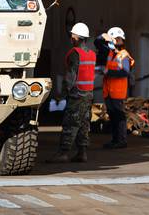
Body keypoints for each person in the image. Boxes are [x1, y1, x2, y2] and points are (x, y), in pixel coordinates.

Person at [46, 22, 96, 163]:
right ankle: (82, 152)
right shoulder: (92, 54)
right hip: (88, 94)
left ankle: (63, 153)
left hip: (77, 94)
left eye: (72, 35)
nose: (71, 38)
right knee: (84, 123)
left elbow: (70, 77)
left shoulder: (75, 54)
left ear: (76, 38)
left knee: (70, 123)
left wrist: (60, 95)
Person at [102, 26, 134, 149]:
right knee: (113, 116)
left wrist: (108, 73)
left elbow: (125, 72)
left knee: (119, 117)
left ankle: (121, 140)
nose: (115, 42)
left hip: (118, 92)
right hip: (109, 92)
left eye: (117, 39)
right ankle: (115, 140)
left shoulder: (123, 55)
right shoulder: (111, 54)